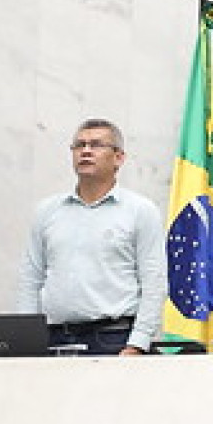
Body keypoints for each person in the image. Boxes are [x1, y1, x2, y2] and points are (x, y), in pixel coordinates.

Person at [16, 118, 166, 356]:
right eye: (79, 145)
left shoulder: (140, 211)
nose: (85, 151)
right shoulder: (47, 211)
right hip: (53, 338)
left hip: (114, 338)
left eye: (96, 145)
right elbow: (31, 278)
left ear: (119, 158)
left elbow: (154, 282)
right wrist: (25, 339)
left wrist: (138, 343)